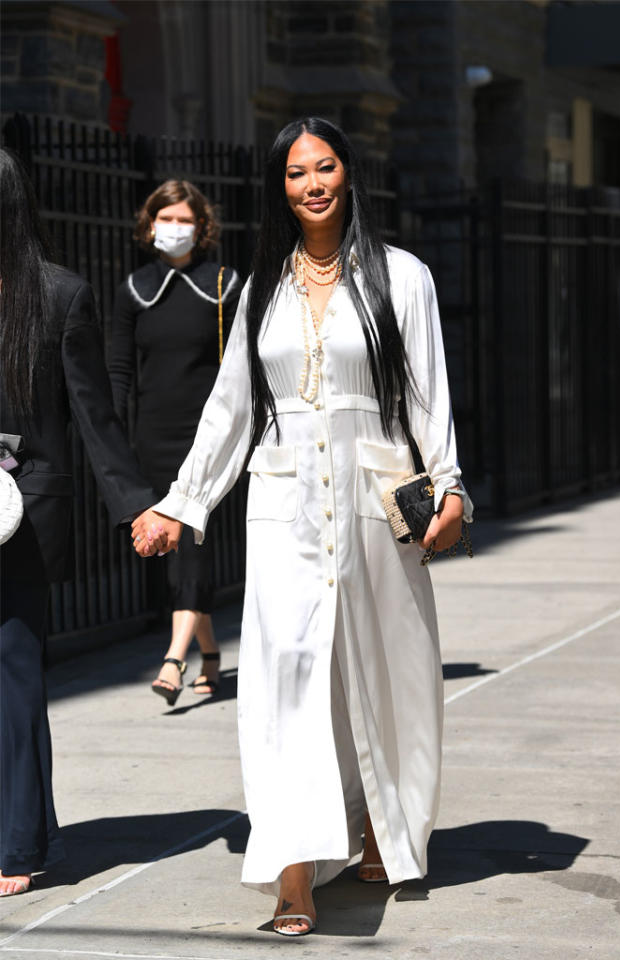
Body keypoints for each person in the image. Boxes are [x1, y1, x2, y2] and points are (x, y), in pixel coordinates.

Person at [132, 118, 473, 935]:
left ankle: (375, 825)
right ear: (279, 187)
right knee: (285, 684)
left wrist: (451, 488)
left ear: (349, 174)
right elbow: (232, 409)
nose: (312, 183)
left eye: (325, 167)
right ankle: (291, 868)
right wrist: (183, 501)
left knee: (383, 676)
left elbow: (427, 391)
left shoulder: (403, 277)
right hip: (284, 511)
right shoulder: (261, 288)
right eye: (295, 172)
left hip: (373, 506)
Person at [0, 148, 156, 896]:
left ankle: (18, 845)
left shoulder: (59, 297)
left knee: (13, 674)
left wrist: (135, 504)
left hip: (18, 516)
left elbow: (94, 416)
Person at [109, 181, 240, 705]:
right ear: (149, 225)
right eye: (165, 219)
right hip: (153, 439)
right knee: (175, 550)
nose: (174, 228)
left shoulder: (226, 284)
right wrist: (113, 437)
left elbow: (240, 368)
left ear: (202, 226)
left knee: (194, 547)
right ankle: (209, 655)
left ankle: (174, 657)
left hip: (208, 437)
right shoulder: (134, 290)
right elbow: (119, 370)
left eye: (184, 219)